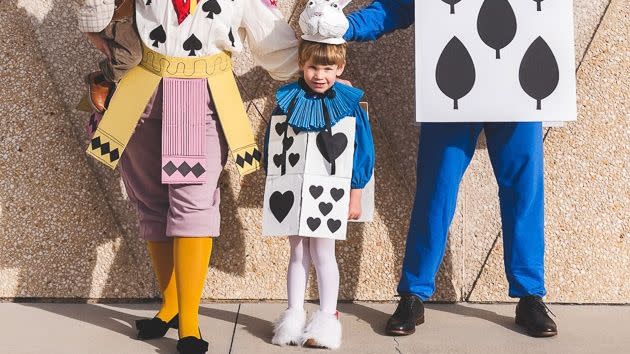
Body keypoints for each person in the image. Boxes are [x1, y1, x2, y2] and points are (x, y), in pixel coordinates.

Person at [75, 1, 298, 353]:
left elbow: (274, 42)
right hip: (140, 89)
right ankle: (171, 307)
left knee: (192, 206)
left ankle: (189, 323)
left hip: (197, 96)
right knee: (151, 202)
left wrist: (320, 67)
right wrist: (94, 29)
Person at [344, 0, 558, 338]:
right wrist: (346, 27)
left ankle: (531, 295)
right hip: (451, 89)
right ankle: (414, 293)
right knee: (437, 188)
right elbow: (396, 7)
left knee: (524, 190)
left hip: (518, 88)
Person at [264, 1, 375, 348]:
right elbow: (277, 144)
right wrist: (273, 183)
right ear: (302, 64)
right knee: (297, 252)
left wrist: (355, 193)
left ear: (340, 66)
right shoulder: (288, 100)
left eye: (328, 68)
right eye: (313, 67)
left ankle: (327, 318)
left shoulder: (348, 102)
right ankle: (294, 313)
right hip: (293, 192)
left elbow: (362, 150)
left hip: (330, 193)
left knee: (323, 253)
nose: (320, 75)